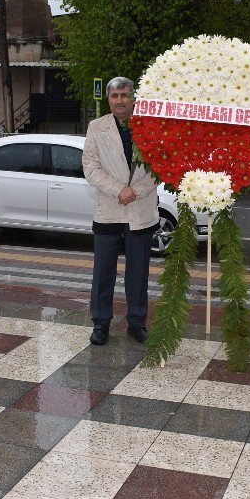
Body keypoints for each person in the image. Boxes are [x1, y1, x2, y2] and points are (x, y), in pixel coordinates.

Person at [82, 77, 159, 346]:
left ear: (133, 97)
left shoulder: (150, 125)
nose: (120, 100)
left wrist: (135, 190)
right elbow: (90, 168)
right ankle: (101, 323)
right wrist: (119, 190)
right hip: (109, 210)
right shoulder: (96, 127)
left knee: (138, 272)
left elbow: (159, 166)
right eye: (114, 96)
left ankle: (136, 323)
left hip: (141, 208)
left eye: (124, 95)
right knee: (103, 271)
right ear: (109, 99)